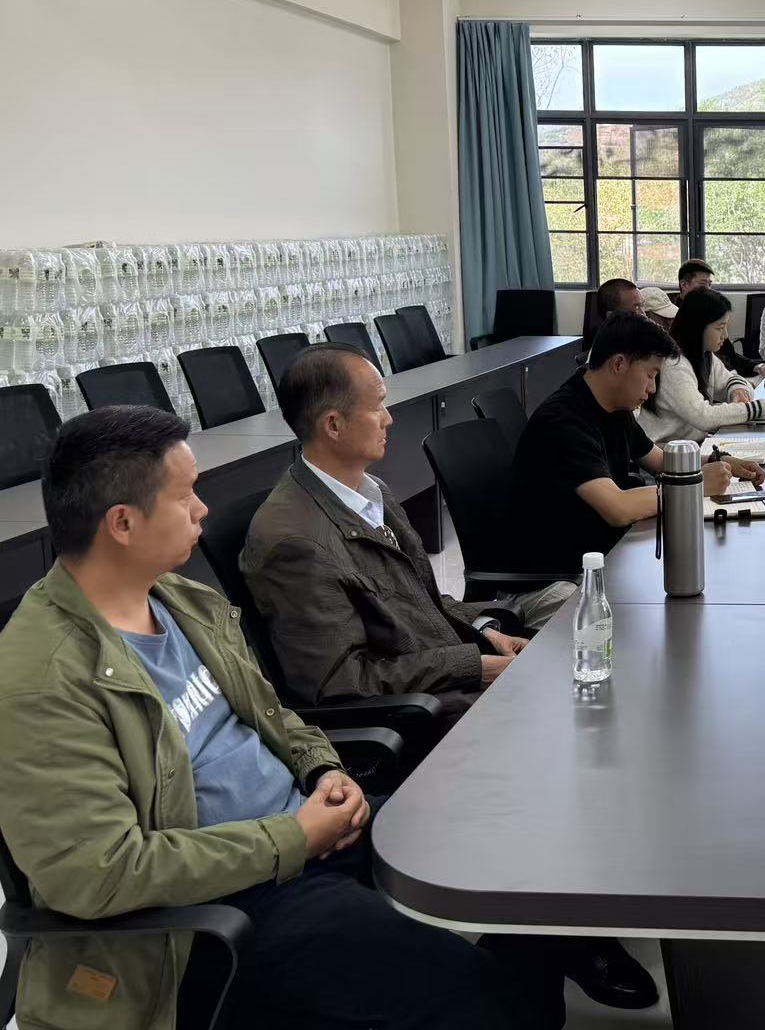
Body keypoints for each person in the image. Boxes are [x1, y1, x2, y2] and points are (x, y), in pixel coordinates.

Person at [0, 406, 568, 1030]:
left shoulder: (179, 598)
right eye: (184, 497)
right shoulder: (41, 678)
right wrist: (293, 838)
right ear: (123, 523)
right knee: (478, 999)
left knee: (528, 851)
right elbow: (100, 873)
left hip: (304, 831)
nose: (202, 510)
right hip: (225, 909)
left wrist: (323, 767)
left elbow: (271, 712)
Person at [241, 344, 566, 720]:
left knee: (569, 611)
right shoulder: (295, 544)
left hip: (443, 664)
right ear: (333, 425)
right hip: (429, 710)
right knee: (566, 693)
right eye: (377, 406)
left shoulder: (371, 490)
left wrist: (485, 632)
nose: (388, 418)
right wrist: (477, 667)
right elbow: (341, 682)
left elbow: (421, 600)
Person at [511, 313, 765, 570]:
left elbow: (660, 460)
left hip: (610, 553)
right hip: (563, 576)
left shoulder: (614, 406)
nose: (653, 388)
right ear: (619, 364)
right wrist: (696, 486)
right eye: (650, 375)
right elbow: (618, 508)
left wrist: (720, 460)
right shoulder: (563, 422)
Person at [639, 288, 765, 445]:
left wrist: (737, 390)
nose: (725, 335)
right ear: (698, 327)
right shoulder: (674, 363)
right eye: (720, 327)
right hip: (664, 451)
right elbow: (703, 416)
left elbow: (732, 378)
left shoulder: (704, 355)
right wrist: (762, 407)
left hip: (691, 444)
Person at [679, 258, 765, 379]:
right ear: (684, 285)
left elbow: (729, 355)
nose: (708, 290)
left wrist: (757, 367)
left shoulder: (711, 310)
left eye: (710, 284)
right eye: (703, 284)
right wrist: (736, 380)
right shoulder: (675, 318)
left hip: (731, 378)